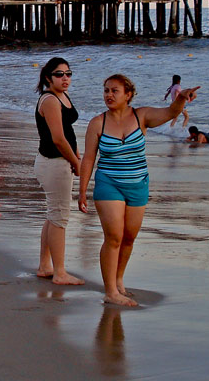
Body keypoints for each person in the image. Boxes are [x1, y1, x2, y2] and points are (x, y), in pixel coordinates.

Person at [79, 74, 199, 306]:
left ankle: (119, 279)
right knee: (113, 237)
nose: (109, 95)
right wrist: (83, 191)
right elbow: (89, 158)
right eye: (106, 91)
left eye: (114, 91)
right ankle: (110, 291)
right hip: (109, 183)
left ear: (128, 94)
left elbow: (170, 113)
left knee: (129, 237)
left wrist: (181, 99)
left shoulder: (141, 115)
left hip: (138, 184)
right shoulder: (97, 122)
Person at [34, 57, 83, 286]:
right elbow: (58, 139)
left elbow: (68, 130)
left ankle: (46, 266)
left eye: (68, 73)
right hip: (54, 162)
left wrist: (76, 156)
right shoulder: (50, 100)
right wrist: (76, 162)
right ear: (47, 77)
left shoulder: (62, 95)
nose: (65, 78)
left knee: (53, 214)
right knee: (60, 217)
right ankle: (60, 272)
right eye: (59, 74)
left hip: (57, 162)